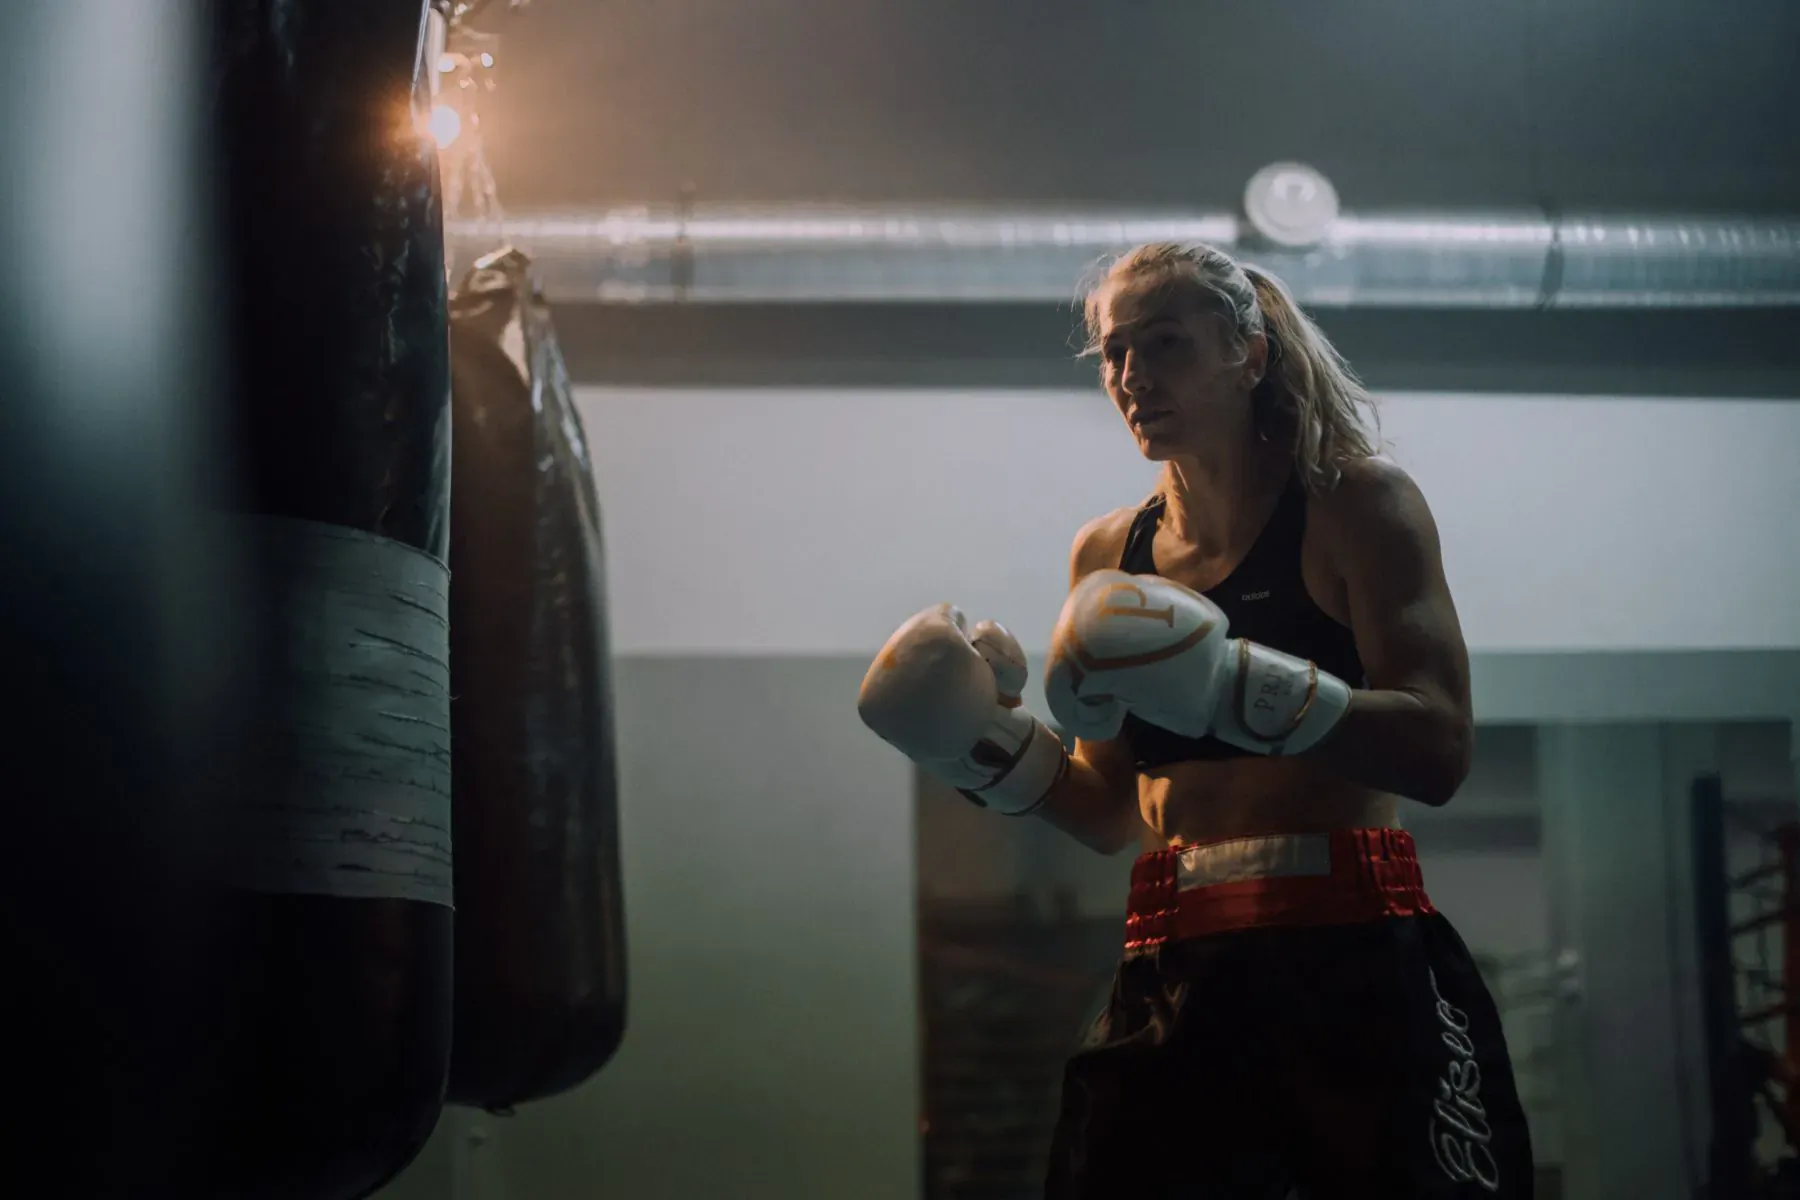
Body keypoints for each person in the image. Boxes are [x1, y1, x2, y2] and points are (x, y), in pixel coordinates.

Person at [857, 241, 1534, 1197]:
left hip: (1346, 953)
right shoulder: (1108, 552)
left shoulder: (1357, 505)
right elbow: (1105, 811)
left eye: (1166, 344)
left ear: (1247, 354)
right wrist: (988, 744)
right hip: (1170, 961)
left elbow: (1439, 746)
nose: (1133, 377)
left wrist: (1228, 683)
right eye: (1114, 354)